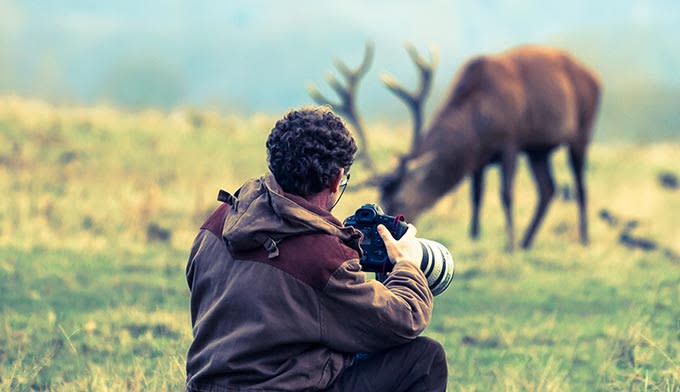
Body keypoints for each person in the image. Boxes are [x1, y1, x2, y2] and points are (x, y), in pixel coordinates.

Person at [185, 106, 448, 391]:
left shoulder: (217, 223)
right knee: (426, 358)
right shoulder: (323, 258)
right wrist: (406, 264)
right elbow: (405, 319)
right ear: (337, 179)